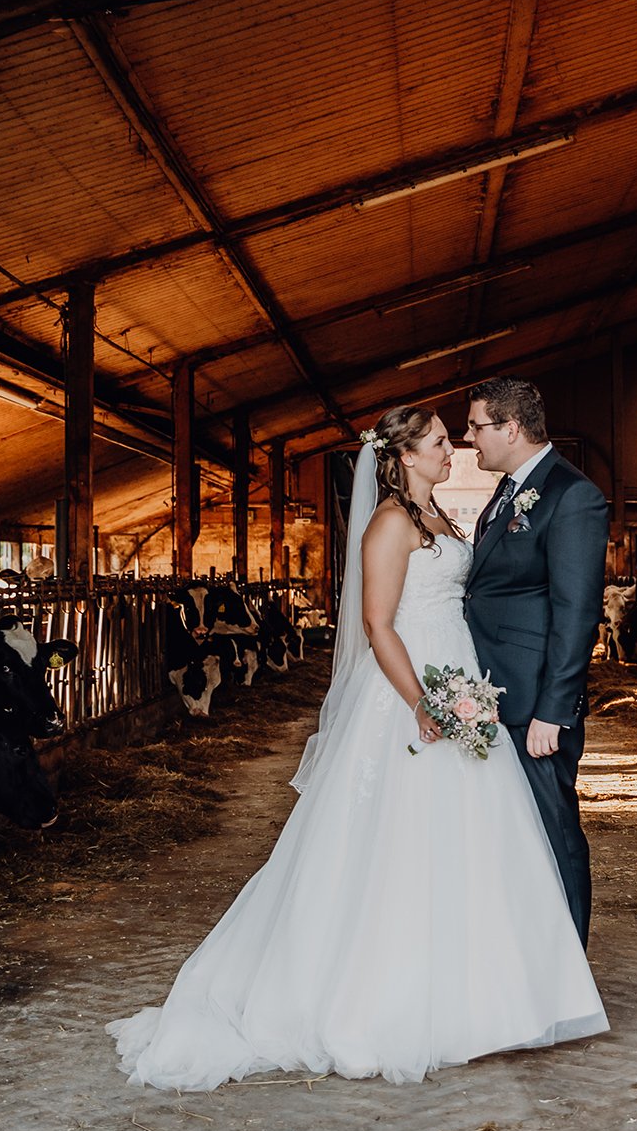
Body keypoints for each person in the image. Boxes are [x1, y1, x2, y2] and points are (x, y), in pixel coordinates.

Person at [107, 405, 606, 1089]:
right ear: (403, 457)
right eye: (438, 441)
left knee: (471, 840)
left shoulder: (445, 519)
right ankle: (386, 998)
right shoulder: (390, 524)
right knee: (397, 844)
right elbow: (378, 624)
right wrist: (423, 701)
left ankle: (479, 996)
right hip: (412, 692)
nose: (452, 449)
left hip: (458, 678)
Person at [460, 378, 610, 946]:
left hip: (534, 704)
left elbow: (577, 614)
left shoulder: (573, 496)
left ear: (511, 428)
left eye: (477, 426)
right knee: (515, 833)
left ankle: (570, 955)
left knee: (554, 828)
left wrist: (554, 710)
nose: (470, 438)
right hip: (496, 693)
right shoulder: (509, 490)